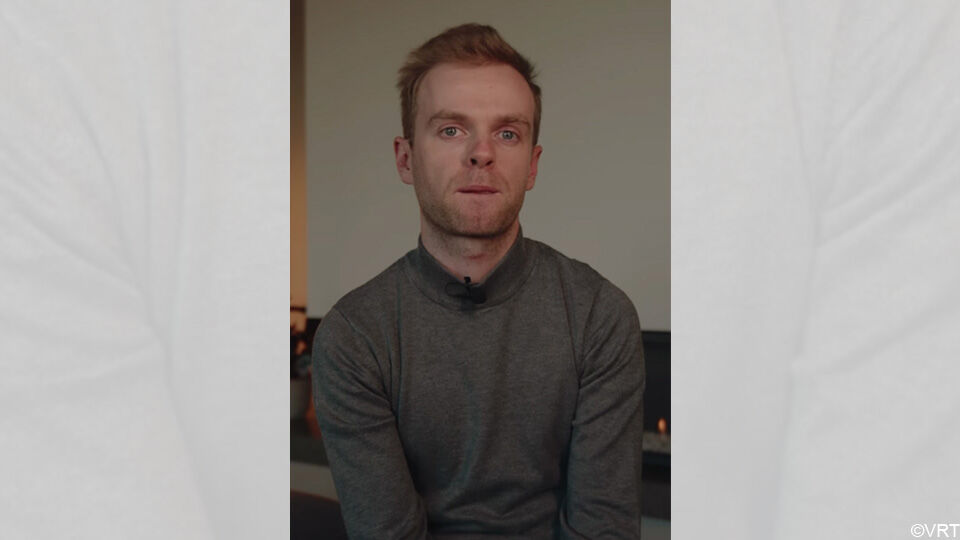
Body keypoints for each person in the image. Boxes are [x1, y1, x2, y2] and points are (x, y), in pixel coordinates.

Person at [312, 23, 645, 539]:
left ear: (532, 165)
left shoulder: (600, 316)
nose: (481, 153)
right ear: (405, 159)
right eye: (451, 130)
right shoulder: (354, 337)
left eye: (507, 133)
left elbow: (603, 530)